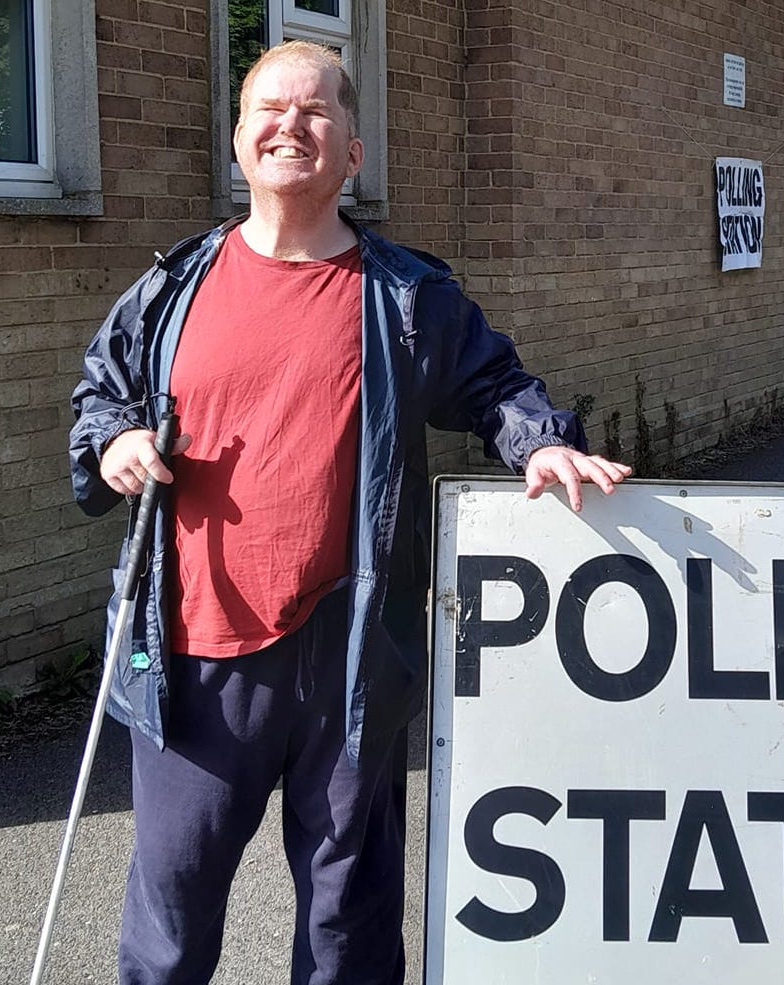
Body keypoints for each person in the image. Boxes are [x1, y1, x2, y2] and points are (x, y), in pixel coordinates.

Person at [68, 40, 631, 985]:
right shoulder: (170, 290)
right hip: (197, 658)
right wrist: (117, 438)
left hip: (353, 655)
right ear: (241, 142)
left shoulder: (406, 296)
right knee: (168, 923)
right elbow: (103, 394)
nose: (292, 124)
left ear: (354, 152)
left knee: (349, 931)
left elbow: (493, 384)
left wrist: (540, 440)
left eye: (316, 109)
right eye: (269, 110)